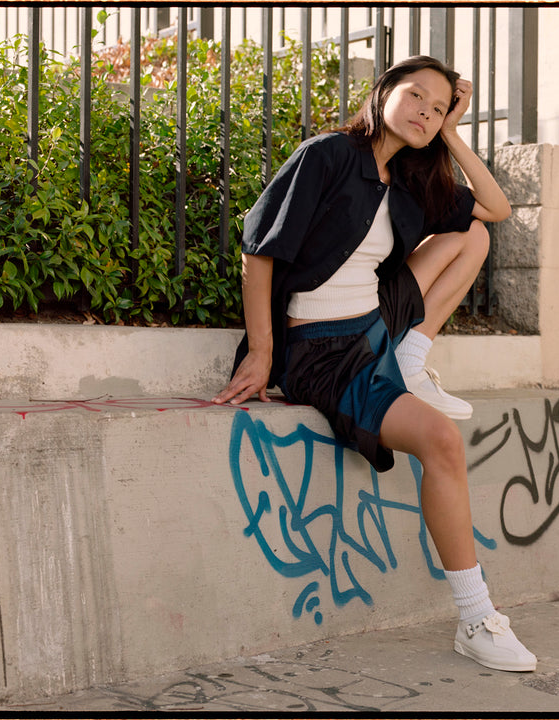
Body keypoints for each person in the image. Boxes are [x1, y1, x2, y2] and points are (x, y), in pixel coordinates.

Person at [213, 55, 536, 673]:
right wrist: (263, 350)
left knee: (474, 236)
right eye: (416, 97)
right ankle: (476, 617)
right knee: (441, 440)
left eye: (439, 106)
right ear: (383, 91)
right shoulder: (328, 156)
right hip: (322, 352)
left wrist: (451, 135)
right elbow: (260, 251)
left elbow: (495, 209)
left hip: (374, 328)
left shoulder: (409, 180)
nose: (425, 112)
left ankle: (411, 357)